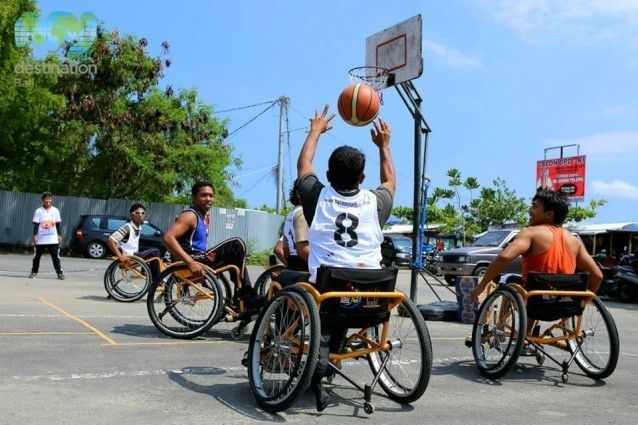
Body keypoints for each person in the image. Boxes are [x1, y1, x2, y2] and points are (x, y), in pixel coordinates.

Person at [296, 105, 395, 411]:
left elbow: (303, 165)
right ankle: (329, 352)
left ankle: (302, 354)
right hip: (372, 298)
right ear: (363, 177)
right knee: (341, 298)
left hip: (328, 295)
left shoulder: (317, 197)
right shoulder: (375, 201)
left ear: (327, 175)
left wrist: (315, 130)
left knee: (283, 281)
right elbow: (390, 181)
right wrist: (385, 146)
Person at [470, 189, 603, 311]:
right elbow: (597, 276)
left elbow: (504, 257)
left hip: (534, 300)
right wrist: (582, 303)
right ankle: (529, 330)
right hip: (565, 303)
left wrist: (481, 286)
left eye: (534, 207)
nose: (530, 210)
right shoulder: (574, 241)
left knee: (507, 279)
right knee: (538, 288)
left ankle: (500, 327)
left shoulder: (530, 233)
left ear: (549, 214)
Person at [162, 181, 255, 302]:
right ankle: (246, 294)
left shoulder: (204, 218)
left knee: (234, 256)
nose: (208, 199)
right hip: (191, 260)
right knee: (237, 243)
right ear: (194, 198)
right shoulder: (190, 216)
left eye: (211, 195)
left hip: (200, 258)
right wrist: (190, 262)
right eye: (204, 195)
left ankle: (240, 296)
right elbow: (167, 238)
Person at [106, 203, 162, 282]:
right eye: (137, 213)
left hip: (133, 253)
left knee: (152, 249)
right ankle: (156, 280)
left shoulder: (138, 227)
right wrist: (120, 256)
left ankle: (146, 272)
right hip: (129, 257)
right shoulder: (127, 227)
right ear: (131, 215)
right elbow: (110, 240)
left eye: (143, 213)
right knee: (155, 252)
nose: (140, 215)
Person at [30, 192, 64, 280]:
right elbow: (36, 224)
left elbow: (58, 224)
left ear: (51, 200)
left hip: (52, 238)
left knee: (55, 256)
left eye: (49, 198)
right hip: (41, 238)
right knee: (36, 256)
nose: (48, 200)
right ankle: (34, 272)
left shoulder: (55, 210)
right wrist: (35, 235)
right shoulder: (39, 211)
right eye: (46, 198)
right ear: (43, 200)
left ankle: (59, 273)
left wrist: (59, 235)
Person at [280, 186, 309, 271]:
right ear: (298, 194)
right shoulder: (302, 213)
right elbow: (302, 249)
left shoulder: (291, 214)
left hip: (293, 261)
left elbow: (285, 249)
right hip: (303, 263)